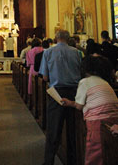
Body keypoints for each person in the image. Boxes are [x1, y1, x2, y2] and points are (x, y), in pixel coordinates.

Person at [62, 55, 118, 165]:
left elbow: (79, 106)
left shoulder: (85, 82)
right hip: (114, 119)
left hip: (98, 122)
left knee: (94, 154)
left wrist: (69, 103)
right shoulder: (104, 82)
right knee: (109, 154)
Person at [39, 29, 81, 165]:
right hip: (75, 94)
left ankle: (49, 161)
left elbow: (44, 77)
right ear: (68, 39)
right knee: (73, 129)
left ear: (56, 38)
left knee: (53, 129)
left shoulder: (48, 52)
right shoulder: (77, 52)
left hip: (57, 93)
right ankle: (73, 160)